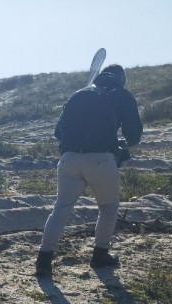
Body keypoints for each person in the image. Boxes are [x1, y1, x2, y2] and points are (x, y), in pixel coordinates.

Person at [35, 64, 143, 277]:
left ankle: (44, 259)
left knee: (61, 208)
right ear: (121, 79)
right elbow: (134, 135)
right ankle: (100, 255)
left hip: (69, 159)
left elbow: (59, 133)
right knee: (108, 207)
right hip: (100, 159)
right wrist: (120, 145)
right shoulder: (121, 94)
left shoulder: (80, 93)